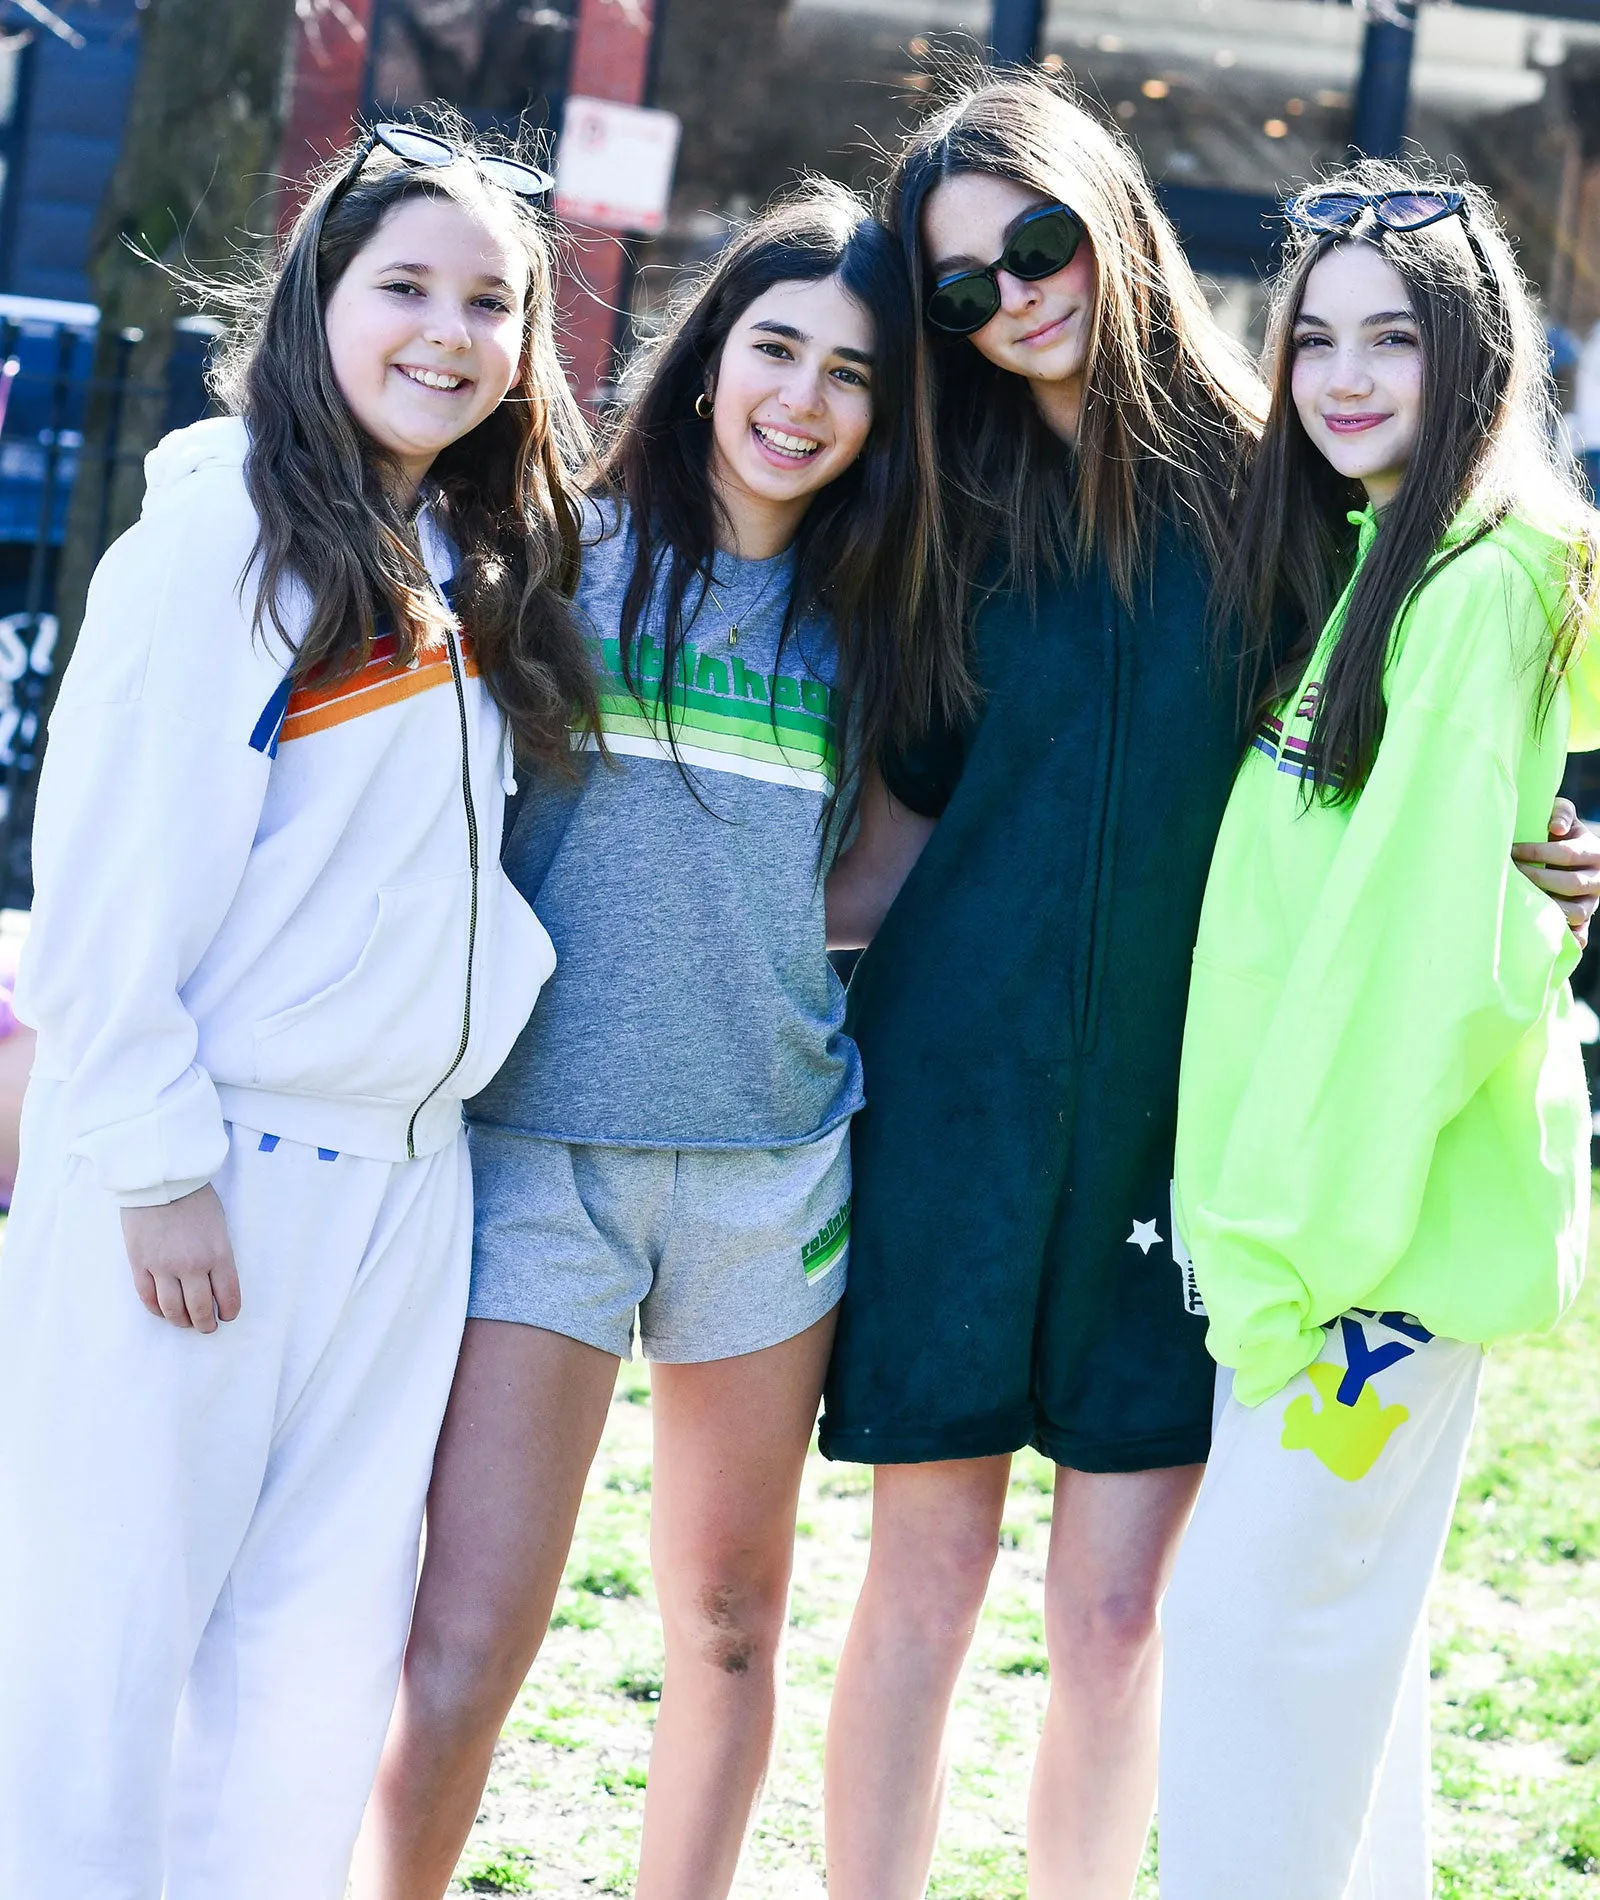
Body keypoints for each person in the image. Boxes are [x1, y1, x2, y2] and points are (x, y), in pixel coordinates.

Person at [818, 76, 1600, 1900]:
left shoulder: (1291, 484)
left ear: (1108, 212)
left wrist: (1555, 857)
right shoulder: (936, 514)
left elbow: (1444, 748)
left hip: (1190, 1151)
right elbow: (881, 836)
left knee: (1116, 1626)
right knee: (920, 1594)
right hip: (955, 1109)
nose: (1011, 297)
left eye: (1036, 244)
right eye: (957, 290)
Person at [0, 118, 596, 1900]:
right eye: (404, 284)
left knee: (310, 1662)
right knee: (100, 1649)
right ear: (316, 298)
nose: (450, 331)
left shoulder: (453, 567)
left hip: (400, 1189)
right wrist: (156, 1160)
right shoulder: (218, 541)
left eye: (492, 301)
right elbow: (107, 886)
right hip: (209, 1175)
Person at [350, 181, 951, 1900]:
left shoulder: (881, 627)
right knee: (464, 1645)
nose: (804, 399)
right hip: (536, 1159)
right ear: (706, 362)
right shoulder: (551, 566)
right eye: (776, 347)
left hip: (770, 1179)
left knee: (729, 1625)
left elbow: (889, 878)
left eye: (852, 373)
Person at [1159, 166, 1600, 1900]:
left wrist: (1285, 1262)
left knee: (1262, 1673)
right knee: (1336, 1680)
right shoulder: (1381, 565)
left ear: (1476, 351)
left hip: (1354, 1267)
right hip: (1342, 1247)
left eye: (1392, 339)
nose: (1342, 376)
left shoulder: (1477, 588)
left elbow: (1411, 963)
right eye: (1315, 338)